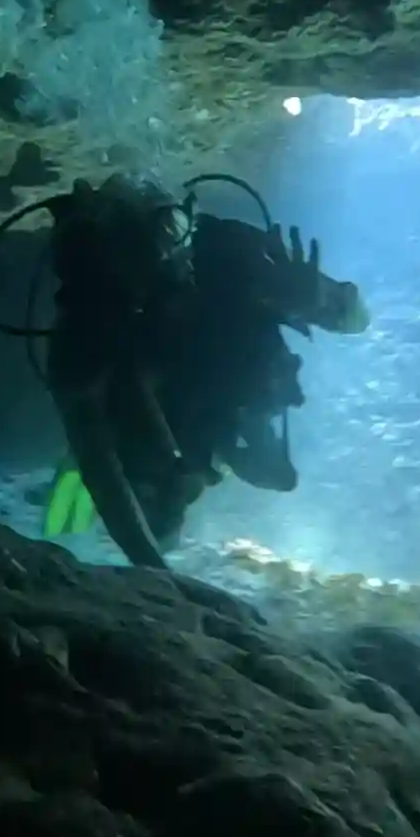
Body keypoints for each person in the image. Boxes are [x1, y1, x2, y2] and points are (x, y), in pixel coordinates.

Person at [34, 172, 369, 567]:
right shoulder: (87, 338)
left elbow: (348, 314)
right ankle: (150, 480)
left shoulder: (232, 278)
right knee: (157, 489)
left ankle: (159, 479)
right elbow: (101, 464)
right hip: (165, 408)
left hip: (199, 393)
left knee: (178, 477)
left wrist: (311, 302)